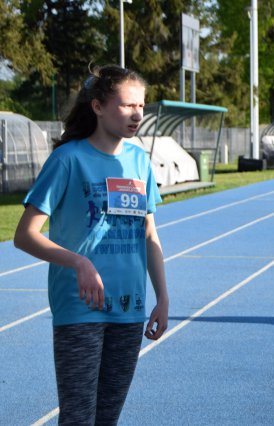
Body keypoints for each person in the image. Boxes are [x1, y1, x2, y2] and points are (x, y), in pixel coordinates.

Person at [14, 65, 169, 425]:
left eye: (142, 106)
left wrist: (162, 297)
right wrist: (79, 263)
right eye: (127, 105)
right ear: (97, 106)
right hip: (80, 307)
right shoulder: (68, 160)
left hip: (129, 308)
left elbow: (149, 234)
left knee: (107, 418)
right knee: (78, 418)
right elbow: (25, 235)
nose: (137, 115)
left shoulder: (139, 162)